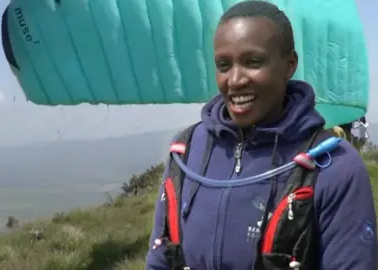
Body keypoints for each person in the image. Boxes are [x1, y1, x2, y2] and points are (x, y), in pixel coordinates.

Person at [145, 1, 376, 270]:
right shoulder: (186, 151)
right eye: (223, 65)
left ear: (290, 65)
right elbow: (160, 259)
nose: (235, 80)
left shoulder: (334, 167)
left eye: (253, 62)